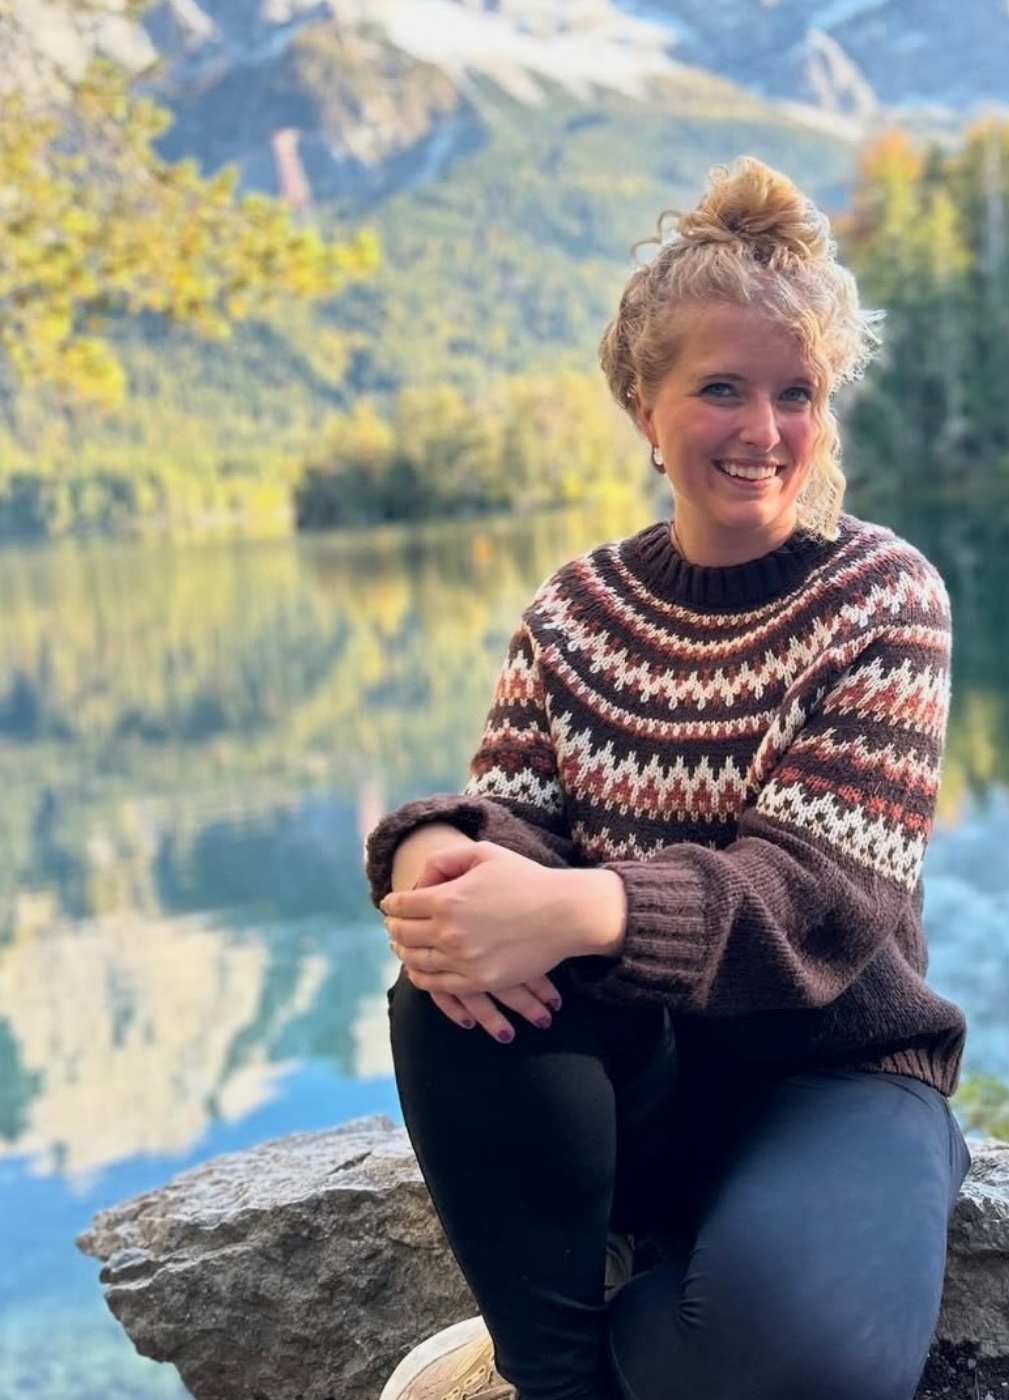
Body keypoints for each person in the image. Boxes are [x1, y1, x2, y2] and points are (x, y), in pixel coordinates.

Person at [369, 156, 971, 1400]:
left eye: (795, 391)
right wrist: (434, 847)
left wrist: (585, 907)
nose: (763, 431)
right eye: (720, 389)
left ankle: (635, 1329)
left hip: (838, 1077)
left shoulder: (879, 594)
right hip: (636, 1087)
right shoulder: (578, 606)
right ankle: (551, 1375)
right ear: (644, 407)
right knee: (446, 978)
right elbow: (516, 819)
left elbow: (820, 895)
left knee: (801, 1370)